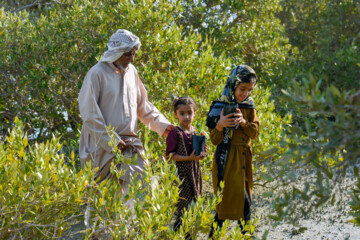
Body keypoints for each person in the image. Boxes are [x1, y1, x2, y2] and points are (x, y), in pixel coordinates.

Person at [78, 29, 173, 195]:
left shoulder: (132, 72)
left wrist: (164, 126)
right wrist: (111, 141)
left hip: (131, 145)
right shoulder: (96, 73)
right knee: (103, 202)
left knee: (142, 193)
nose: (132, 59)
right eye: (128, 54)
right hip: (101, 147)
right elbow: (89, 114)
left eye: (134, 54)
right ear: (116, 52)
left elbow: (143, 106)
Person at [206, 65, 259, 237]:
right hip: (226, 160)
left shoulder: (250, 107)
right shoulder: (219, 105)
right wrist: (220, 125)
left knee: (243, 202)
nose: (245, 94)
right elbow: (214, 140)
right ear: (233, 84)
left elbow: (255, 133)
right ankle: (246, 235)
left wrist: (243, 122)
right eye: (242, 89)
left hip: (243, 160)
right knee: (226, 204)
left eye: (249, 90)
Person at [165, 96, 206, 238]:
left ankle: (187, 235)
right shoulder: (175, 133)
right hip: (181, 175)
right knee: (183, 208)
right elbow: (170, 155)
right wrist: (188, 158)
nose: (186, 116)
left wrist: (202, 153)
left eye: (189, 112)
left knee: (194, 206)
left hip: (195, 172)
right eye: (182, 113)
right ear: (176, 115)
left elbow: (201, 152)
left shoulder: (197, 131)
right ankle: (179, 235)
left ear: (195, 113)